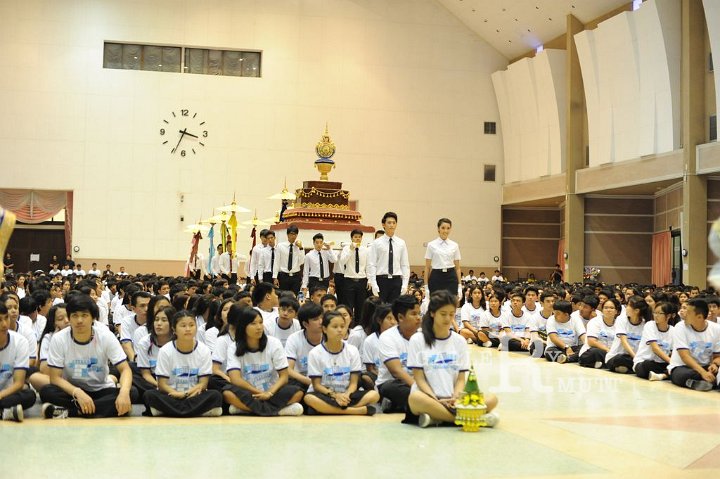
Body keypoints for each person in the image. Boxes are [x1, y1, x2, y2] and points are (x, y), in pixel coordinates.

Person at [407, 290, 498, 428]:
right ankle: (471, 418)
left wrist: (455, 397)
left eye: (451, 314)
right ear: (432, 313)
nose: (448, 318)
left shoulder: (459, 341)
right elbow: (419, 378)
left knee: (492, 399)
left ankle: (438, 418)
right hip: (429, 398)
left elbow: (461, 379)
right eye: (443, 314)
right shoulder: (418, 339)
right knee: (415, 398)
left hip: (455, 399)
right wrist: (435, 399)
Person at [39, 294, 136, 418]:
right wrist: (77, 392)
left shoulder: (106, 336)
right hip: (72, 390)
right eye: (75, 316)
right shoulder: (59, 339)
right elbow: (55, 378)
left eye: (84, 315)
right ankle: (105, 409)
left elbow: (125, 369)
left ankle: (70, 412)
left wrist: (124, 393)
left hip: (101, 389)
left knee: (131, 393)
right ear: (69, 318)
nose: (79, 320)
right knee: (47, 391)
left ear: (93, 318)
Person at [222, 307, 304, 416]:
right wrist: (260, 393)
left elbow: (284, 376)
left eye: (261, 322)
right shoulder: (234, 347)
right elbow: (235, 379)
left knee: (298, 391)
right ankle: (277, 410)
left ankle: (249, 409)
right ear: (243, 326)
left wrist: (269, 392)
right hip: (250, 394)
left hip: (274, 392)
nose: (259, 327)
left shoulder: (274, 343)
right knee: (227, 393)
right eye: (253, 323)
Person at [143, 310, 223, 417]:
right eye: (183, 325)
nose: (188, 329)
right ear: (174, 329)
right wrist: (177, 394)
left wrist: (185, 394)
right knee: (149, 395)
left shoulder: (204, 350)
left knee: (216, 395)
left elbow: (203, 384)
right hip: (171, 395)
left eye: (191, 325)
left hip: (194, 395)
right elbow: (161, 384)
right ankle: (197, 411)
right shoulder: (165, 351)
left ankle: (167, 411)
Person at [303, 311, 380, 415]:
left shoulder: (352, 350)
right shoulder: (315, 353)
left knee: (374, 395)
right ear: (324, 329)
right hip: (325, 394)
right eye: (335, 327)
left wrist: (346, 395)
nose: (340, 330)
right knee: (309, 398)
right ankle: (355, 411)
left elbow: (353, 383)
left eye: (342, 326)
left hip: (346, 394)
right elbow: (316, 385)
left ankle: (331, 410)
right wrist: (335, 395)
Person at [376, 295, 420, 413]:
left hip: (419, 383)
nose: (418, 318)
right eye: (414, 314)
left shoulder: (423, 336)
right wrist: (419, 389)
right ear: (400, 317)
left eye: (419, 314)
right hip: (395, 383)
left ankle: (415, 406)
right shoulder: (388, 337)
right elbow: (397, 372)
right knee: (390, 387)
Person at [668, 298, 720, 391]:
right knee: (682, 375)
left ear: (699, 317)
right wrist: (703, 372)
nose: (684, 314)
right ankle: (706, 382)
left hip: (705, 366)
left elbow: (717, 356)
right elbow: (685, 356)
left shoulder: (716, 329)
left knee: (716, 372)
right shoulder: (680, 327)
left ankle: (704, 382)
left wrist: (715, 364)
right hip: (683, 366)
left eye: (688, 313)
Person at [0, 302, 35, 422]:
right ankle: (4, 412)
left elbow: (19, 383)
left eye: (6, 318)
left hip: (7, 393)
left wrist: (1, 395)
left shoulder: (20, 342)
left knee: (29, 395)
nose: (4, 324)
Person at [134, 306, 175, 406]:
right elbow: (146, 374)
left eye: (164, 320)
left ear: (173, 324)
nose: (158, 323)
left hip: (175, 380)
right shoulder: (145, 342)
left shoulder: (179, 342)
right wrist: (160, 385)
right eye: (156, 320)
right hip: (153, 380)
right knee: (132, 374)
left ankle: (162, 401)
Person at [367, 212, 410, 303]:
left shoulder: (401, 243)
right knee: (380, 308)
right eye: (389, 223)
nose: (392, 225)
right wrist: (373, 283)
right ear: (383, 224)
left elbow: (405, 265)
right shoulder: (377, 243)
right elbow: (372, 264)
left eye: (394, 223)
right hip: (381, 280)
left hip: (396, 280)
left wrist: (405, 283)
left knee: (394, 308)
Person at [605, 296, 650, 374]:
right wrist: (636, 358)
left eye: (628, 306)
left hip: (635, 357)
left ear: (636, 311)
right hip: (617, 356)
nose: (626, 308)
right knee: (620, 358)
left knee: (648, 363)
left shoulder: (645, 324)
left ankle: (628, 369)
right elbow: (624, 342)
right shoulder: (621, 319)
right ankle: (631, 368)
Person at [285, 302, 324, 391]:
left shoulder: (330, 337)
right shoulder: (294, 339)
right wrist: (312, 383)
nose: (321, 321)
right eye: (316, 319)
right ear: (305, 324)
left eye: (322, 317)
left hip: (325, 381)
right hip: (301, 381)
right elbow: (288, 370)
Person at [633, 302, 674, 380]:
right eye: (655, 313)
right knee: (647, 365)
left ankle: (662, 376)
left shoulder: (673, 330)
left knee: (679, 368)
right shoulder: (650, 325)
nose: (656, 315)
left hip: (662, 363)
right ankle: (666, 374)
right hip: (644, 362)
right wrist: (672, 363)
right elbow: (655, 349)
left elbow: (672, 352)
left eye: (659, 313)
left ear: (668, 316)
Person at [423, 218, 461, 295]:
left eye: (448, 228)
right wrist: (426, 286)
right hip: (436, 276)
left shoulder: (455, 245)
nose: (445, 231)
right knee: (436, 301)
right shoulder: (431, 245)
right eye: (443, 228)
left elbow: (458, 268)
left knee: (450, 301)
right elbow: (427, 267)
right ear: (438, 229)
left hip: (451, 277)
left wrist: (460, 285)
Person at [578, 298, 619, 369]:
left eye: (611, 308)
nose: (608, 310)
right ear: (602, 310)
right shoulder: (595, 322)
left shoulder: (619, 324)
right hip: (593, 351)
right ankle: (612, 364)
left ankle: (604, 364)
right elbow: (592, 341)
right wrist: (608, 350)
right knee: (596, 352)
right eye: (606, 308)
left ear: (616, 311)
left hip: (611, 353)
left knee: (621, 356)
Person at [338, 229, 370, 318]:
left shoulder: (365, 250)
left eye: (359, 237)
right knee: (348, 306)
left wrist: (369, 279)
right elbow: (342, 262)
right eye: (355, 237)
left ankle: (359, 324)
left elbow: (368, 266)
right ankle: (349, 324)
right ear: (352, 238)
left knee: (360, 306)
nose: (358, 239)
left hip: (362, 280)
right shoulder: (346, 249)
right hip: (349, 280)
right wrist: (351, 250)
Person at [274, 225, 305, 295]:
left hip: (295, 276)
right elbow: (276, 262)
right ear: (287, 234)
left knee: (295, 296)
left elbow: (302, 261)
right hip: (283, 275)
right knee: (283, 296)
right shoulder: (280, 246)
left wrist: (300, 248)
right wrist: (275, 277)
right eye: (291, 234)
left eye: (295, 234)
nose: (293, 236)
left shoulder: (300, 246)